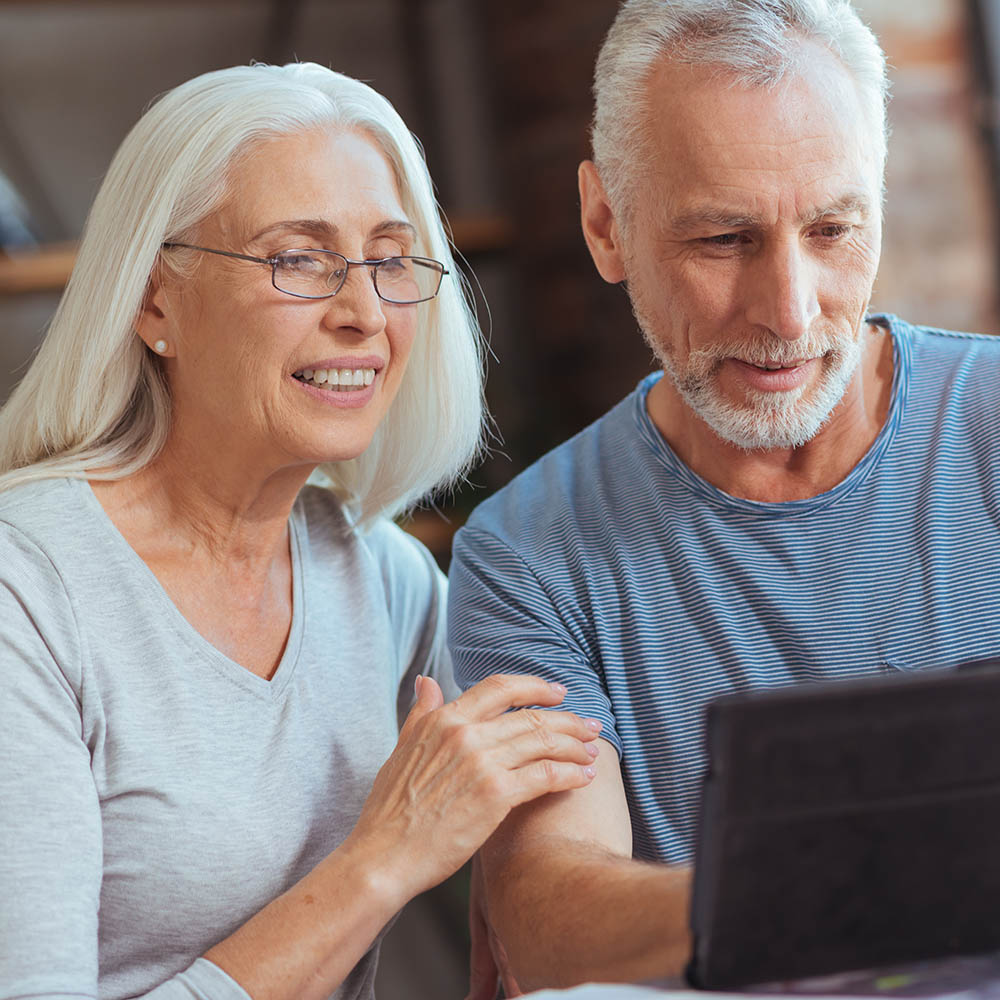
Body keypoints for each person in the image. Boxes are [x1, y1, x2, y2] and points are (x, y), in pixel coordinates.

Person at [0, 63, 605, 1000]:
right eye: (298, 258)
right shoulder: (25, 589)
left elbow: (563, 760)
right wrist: (383, 860)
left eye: (392, 259)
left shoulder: (386, 580)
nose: (363, 312)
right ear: (155, 301)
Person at [448, 0, 1000, 993]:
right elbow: (548, 921)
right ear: (604, 223)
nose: (788, 311)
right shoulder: (531, 552)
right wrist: (895, 868)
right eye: (721, 239)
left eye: (832, 228)